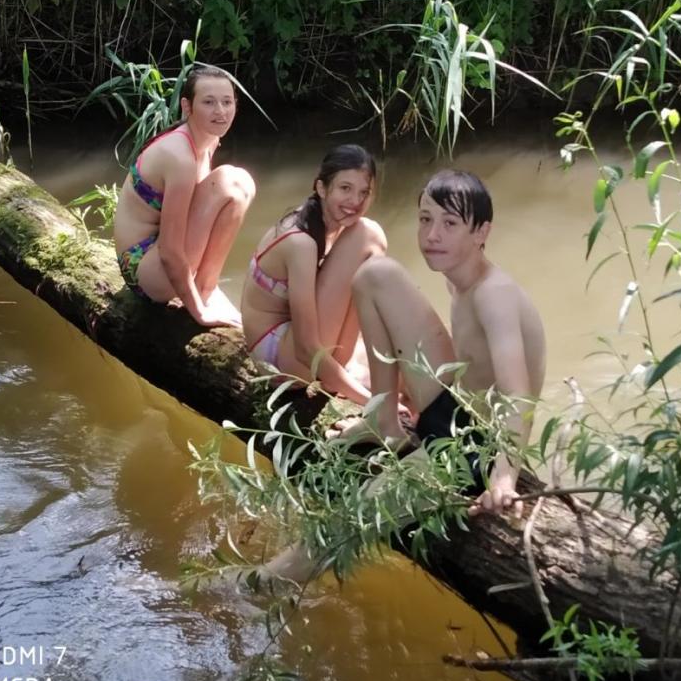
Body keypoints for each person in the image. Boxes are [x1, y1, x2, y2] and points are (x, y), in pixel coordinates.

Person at [264, 169, 546, 583]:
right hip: (454, 409)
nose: (432, 235)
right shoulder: (460, 281)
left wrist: (504, 478)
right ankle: (385, 421)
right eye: (425, 219)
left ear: (482, 232)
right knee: (375, 275)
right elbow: (469, 361)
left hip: (473, 452)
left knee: (340, 528)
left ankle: (261, 584)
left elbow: (517, 395)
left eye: (450, 224)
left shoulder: (494, 294)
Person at [241, 145, 387, 405]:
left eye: (364, 192)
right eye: (345, 188)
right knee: (369, 234)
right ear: (321, 188)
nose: (356, 201)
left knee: (367, 241)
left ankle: (341, 371)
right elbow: (306, 349)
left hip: (292, 348)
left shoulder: (329, 224)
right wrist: (368, 401)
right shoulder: (301, 242)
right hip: (279, 362)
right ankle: (340, 378)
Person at [113, 64, 255, 328]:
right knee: (232, 182)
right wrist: (199, 313)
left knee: (241, 183)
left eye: (227, 102)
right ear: (187, 107)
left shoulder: (208, 139)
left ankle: (206, 288)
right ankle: (201, 298)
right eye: (209, 102)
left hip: (157, 257)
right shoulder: (180, 157)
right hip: (142, 269)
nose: (221, 111)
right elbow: (169, 249)